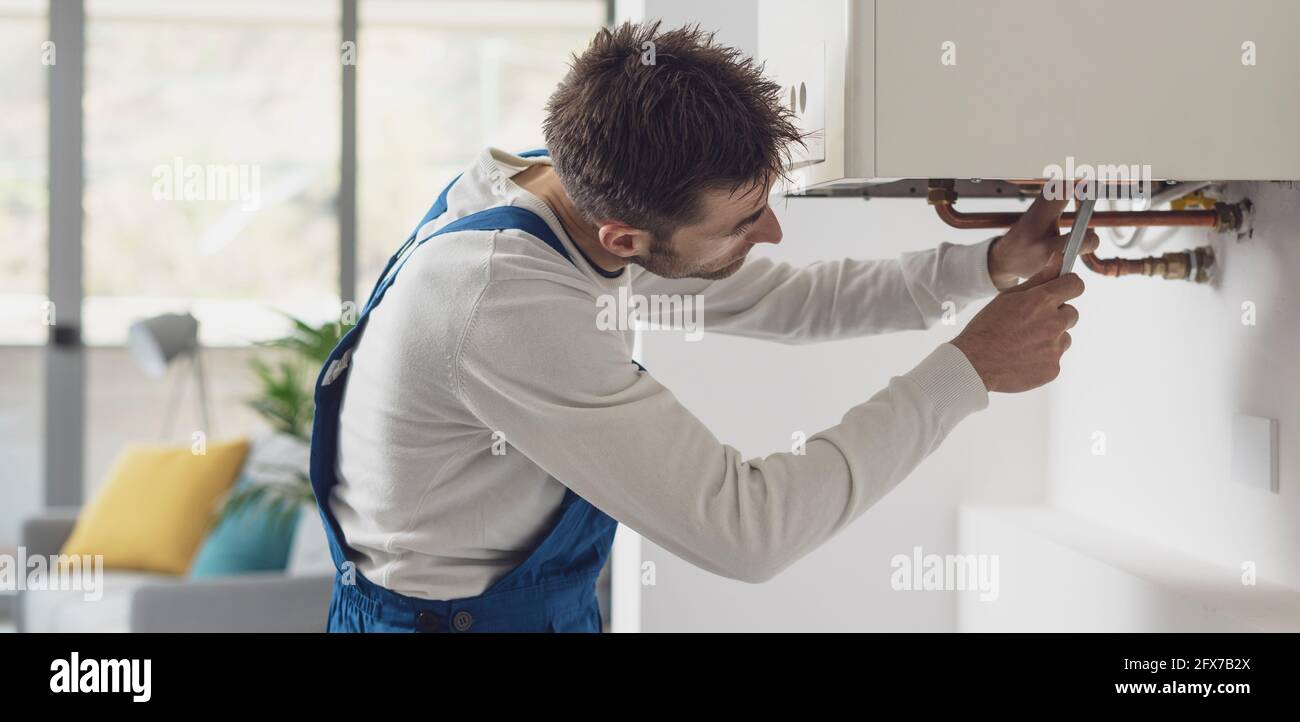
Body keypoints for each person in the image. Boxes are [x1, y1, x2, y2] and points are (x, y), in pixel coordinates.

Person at [309, 22, 1099, 632]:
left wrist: (989, 264)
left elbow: (784, 300)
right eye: (745, 222)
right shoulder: (505, 303)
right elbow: (748, 530)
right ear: (625, 240)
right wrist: (969, 370)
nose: (773, 236)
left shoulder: (557, 183)